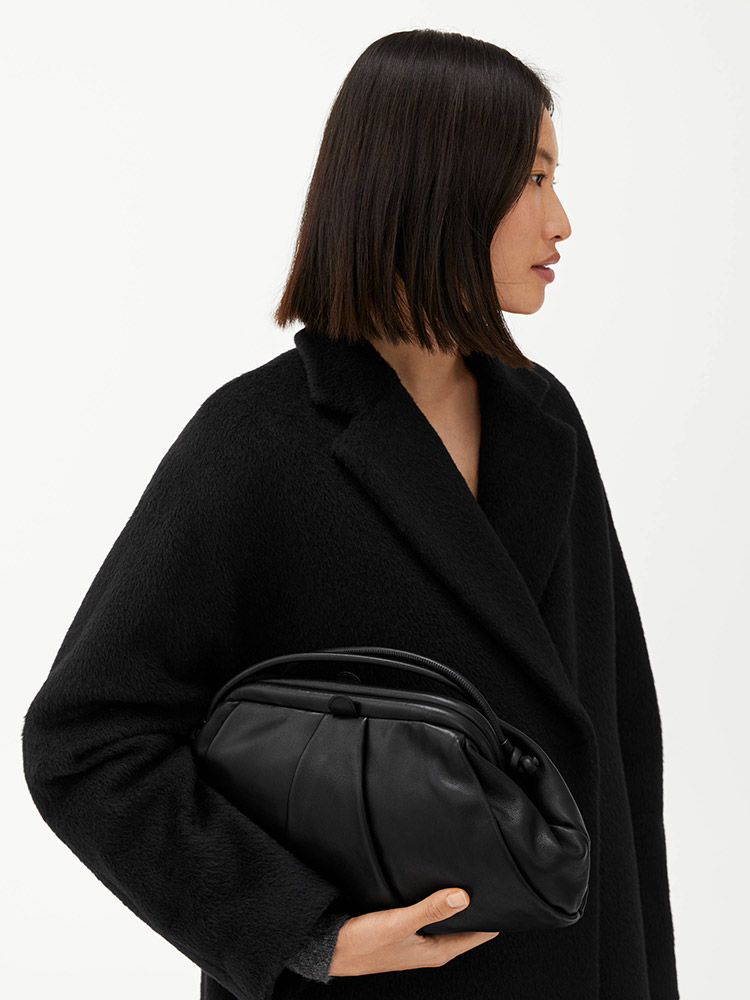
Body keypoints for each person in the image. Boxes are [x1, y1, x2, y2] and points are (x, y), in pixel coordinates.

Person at [21, 27, 680, 1000]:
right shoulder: (256, 440)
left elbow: (620, 745)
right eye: (535, 178)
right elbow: (84, 741)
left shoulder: (545, 422)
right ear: (438, 186)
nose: (563, 220)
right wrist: (304, 931)